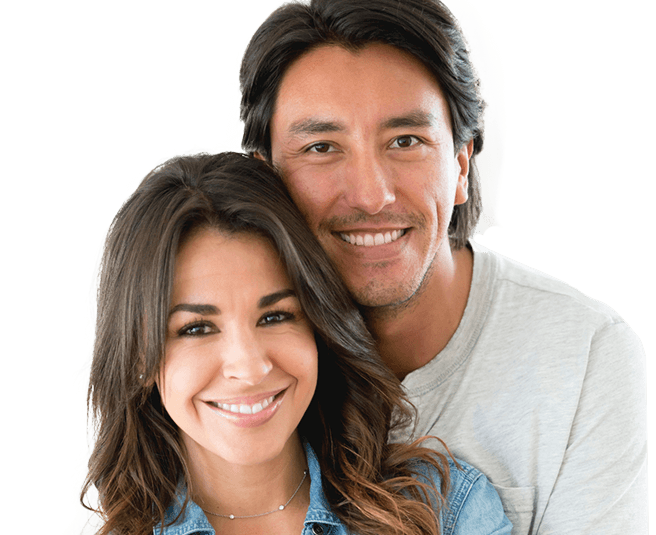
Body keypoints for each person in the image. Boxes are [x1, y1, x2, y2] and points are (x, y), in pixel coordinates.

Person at [234, 0, 648, 534]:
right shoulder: (216, 357)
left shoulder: (582, 355)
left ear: (460, 164)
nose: (372, 194)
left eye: (406, 141)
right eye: (321, 148)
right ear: (265, 179)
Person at [72, 151, 511, 535]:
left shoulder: (443, 512)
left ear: (318, 327)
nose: (249, 366)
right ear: (139, 357)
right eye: (196, 328)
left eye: (276, 316)